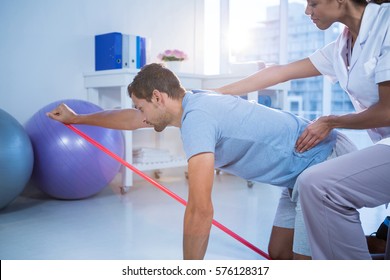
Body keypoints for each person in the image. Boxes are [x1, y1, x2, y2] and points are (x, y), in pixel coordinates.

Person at [47, 63, 356, 260]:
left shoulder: (197, 120)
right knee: (279, 255)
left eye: (141, 106)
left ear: (158, 97)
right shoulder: (191, 102)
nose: (140, 115)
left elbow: (200, 208)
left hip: (322, 164)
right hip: (297, 176)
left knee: (304, 264)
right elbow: (130, 119)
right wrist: (79, 118)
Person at [214, 0, 390, 259]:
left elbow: (387, 110)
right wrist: (213, 94)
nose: (308, 11)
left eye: (313, 3)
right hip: (383, 145)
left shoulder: (385, 23)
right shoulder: (341, 47)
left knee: (318, 183)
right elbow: (280, 73)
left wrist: (331, 121)